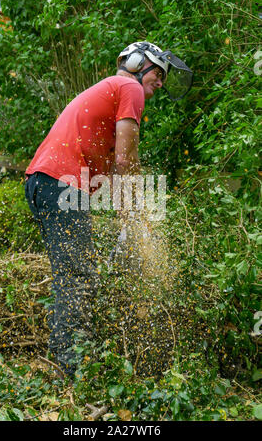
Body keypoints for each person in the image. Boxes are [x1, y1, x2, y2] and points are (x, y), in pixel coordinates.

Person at [24, 41, 193, 378]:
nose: (160, 82)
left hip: (45, 182)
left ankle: (64, 362)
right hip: (60, 183)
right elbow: (128, 160)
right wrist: (141, 209)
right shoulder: (130, 87)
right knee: (79, 275)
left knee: (71, 273)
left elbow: (115, 173)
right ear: (135, 63)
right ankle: (73, 371)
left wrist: (131, 218)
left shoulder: (111, 93)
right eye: (158, 73)